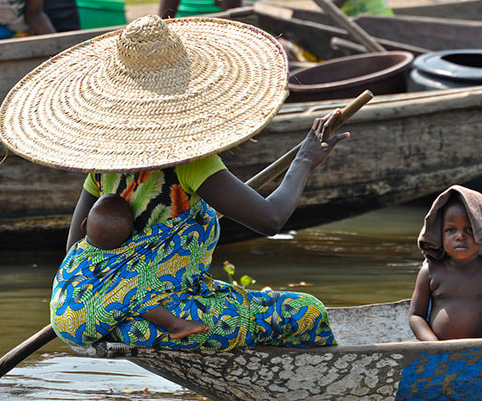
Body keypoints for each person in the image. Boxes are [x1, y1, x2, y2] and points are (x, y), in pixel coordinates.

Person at [0, 15, 348, 351]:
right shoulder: (192, 166)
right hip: (165, 317)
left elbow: (74, 251)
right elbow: (271, 219)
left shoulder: (103, 167)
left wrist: (121, 297)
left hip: (107, 318)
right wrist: (304, 161)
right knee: (306, 311)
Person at [84, 194, 211, 339]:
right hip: (87, 330)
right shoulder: (126, 268)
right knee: (134, 293)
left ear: (83, 225)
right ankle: (175, 325)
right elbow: (136, 295)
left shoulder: (78, 248)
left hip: (60, 306)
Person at [408, 185, 482, 341]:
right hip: (437, 352)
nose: (460, 236)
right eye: (451, 230)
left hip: (481, 349)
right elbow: (416, 316)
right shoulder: (430, 270)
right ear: (439, 234)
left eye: (470, 229)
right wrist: (433, 344)